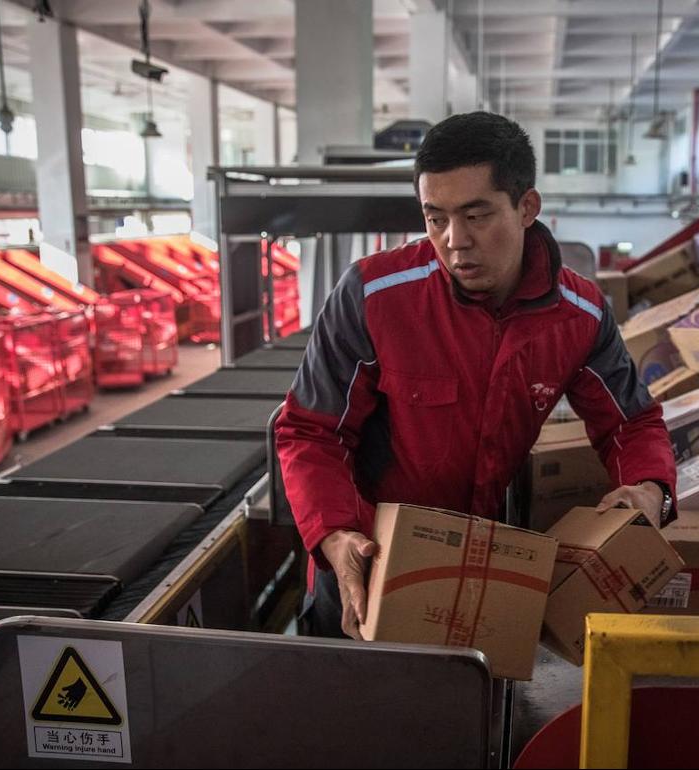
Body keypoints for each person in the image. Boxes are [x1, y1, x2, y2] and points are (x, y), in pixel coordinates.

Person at [275, 111, 676, 640]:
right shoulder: (374, 297)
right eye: (434, 217)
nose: (454, 240)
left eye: (476, 214)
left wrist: (648, 488)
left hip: (482, 565)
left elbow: (630, 423)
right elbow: (311, 430)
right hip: (363, 566)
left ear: (527, 206)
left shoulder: (578, 315)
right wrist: (335, 535)